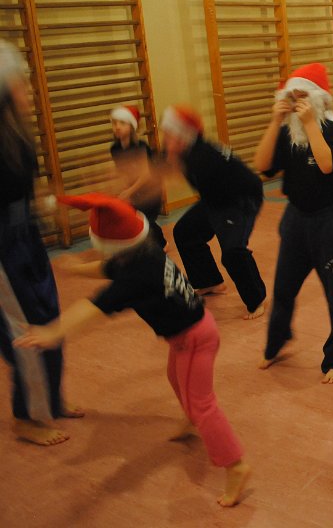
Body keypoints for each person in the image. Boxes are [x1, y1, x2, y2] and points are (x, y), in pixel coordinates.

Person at [14, 193, 250, 507]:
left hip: (195, 338)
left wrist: (52, 331)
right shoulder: (144, 251)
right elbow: (107, 268)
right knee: (175, 378)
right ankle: (190, 418)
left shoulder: (133, 278)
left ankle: (236, 465)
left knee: (203, 405)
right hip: (190, 332)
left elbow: (92, 307)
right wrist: (77, 270)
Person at [0, 40, 82, 446]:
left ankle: (51, 398)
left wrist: (47, 207)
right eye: (21, 84)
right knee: (25, 330)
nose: (29, 91)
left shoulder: (17, 135)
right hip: (3, 252)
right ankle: (27, 417)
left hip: (25, 241)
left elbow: (22, 193)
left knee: (50, 319)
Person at [254, 63, 333, 384]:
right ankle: (276, 342)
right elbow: (262, 165)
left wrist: (311, 124)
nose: (297, 103)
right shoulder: (287, 134)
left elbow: (328, 167)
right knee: (283, 289)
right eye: (292, 97)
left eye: (303, 97)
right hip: (296, 219)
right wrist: (275, 121)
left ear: (318, 99)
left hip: (330, 220)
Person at [163, 105, 266, 320]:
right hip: (217, 199)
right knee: (185, 232)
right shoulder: (187, 150)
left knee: (233, 251)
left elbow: (164, 177)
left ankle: (256, 300)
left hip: (241, 198)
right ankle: (209, 281)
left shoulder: (202, 156)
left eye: (170, 134)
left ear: (183, 136)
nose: (166, 139)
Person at [109, 105, 166, 248]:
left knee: (145, 219)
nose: (117, 127)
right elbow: (123, 172)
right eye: (115, 123)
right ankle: (155, 242)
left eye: (122, 123)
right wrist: (122, 189)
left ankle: (161, 243)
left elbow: (146, 175)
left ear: (132, 127)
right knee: (135, 218)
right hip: (135, 190)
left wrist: (129, 191)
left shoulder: (140, 146)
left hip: (151, 191)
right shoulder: (115, 149)